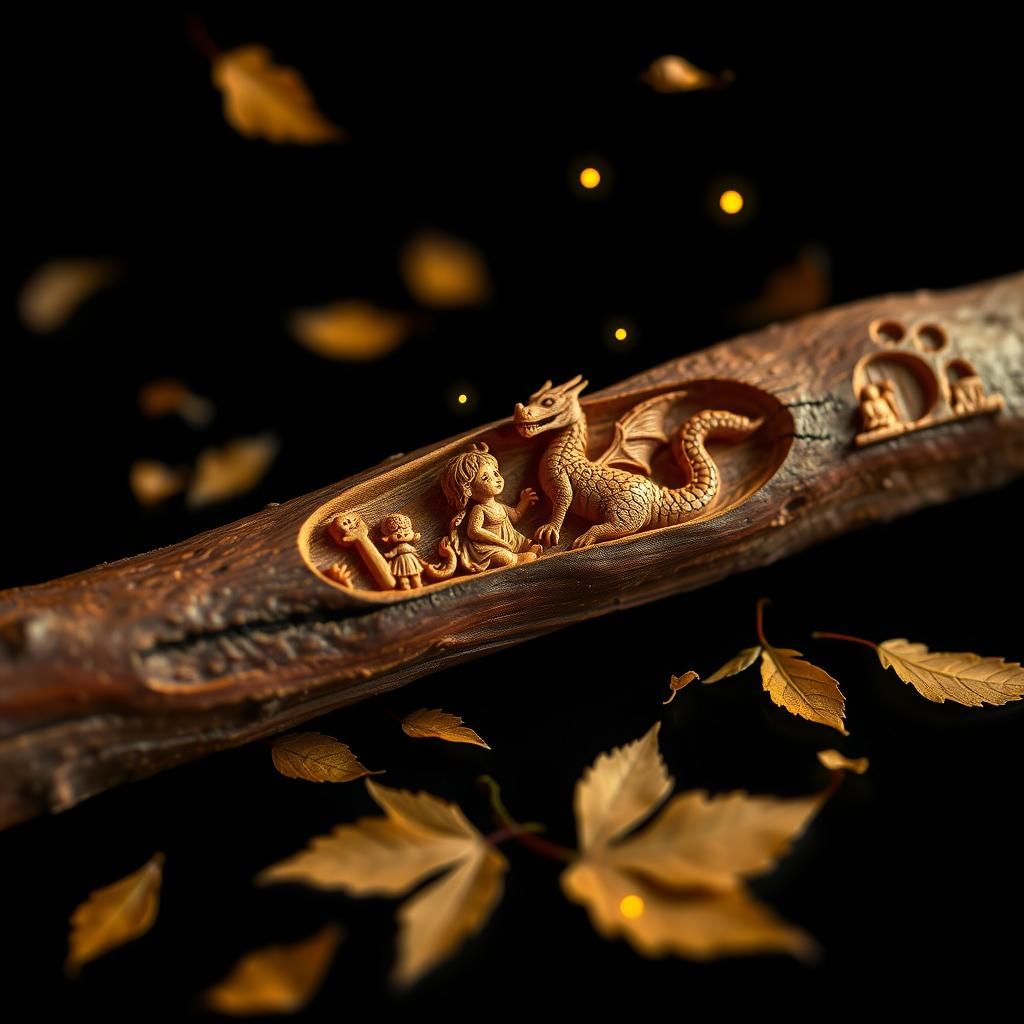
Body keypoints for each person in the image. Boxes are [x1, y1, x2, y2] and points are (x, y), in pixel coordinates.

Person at [440, 443, 543, 571]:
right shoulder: (480, 509)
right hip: (489, 546)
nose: (497, 479)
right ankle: (517, 559)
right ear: (468, 489)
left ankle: (525, 554)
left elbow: (516, 516)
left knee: (531, 544)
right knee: (505, 558)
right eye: (485, 478)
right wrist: (499, 541)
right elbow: (473, 531)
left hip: (511, 540)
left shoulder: (499, 506)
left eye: (495, 473)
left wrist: (524, 501)